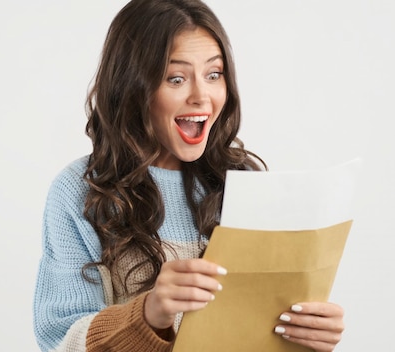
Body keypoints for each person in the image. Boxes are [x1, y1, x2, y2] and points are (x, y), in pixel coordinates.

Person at [33, 0, 345, 351]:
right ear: (132, 87)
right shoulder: (80, 191)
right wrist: (149, 314)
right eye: (176, 78)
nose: (202, 97)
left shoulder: (244, 181)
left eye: (214, 74)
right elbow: (59, 340)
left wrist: (306, 334)